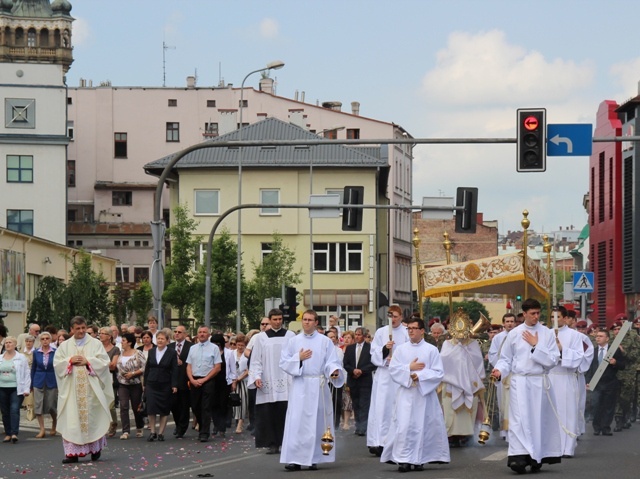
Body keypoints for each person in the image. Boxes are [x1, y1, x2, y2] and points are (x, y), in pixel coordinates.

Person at [492, 298, 562, 474]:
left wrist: (536, 345)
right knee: (519, 420)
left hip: (539, 382)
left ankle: (536, 456)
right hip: (520, 382)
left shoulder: (546, 333)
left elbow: (553, 360)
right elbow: (505, 359)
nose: (536, 317)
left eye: (538, 313)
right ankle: (518, 457)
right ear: (524, 314)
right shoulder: (514, 334)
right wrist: (499, 371)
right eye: (532, 314)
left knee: (537, 420)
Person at [380, 318, 449, 472]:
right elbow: (393, 369)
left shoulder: (431, 350)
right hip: (406, 393)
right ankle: (403, 459)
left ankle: (419, 459)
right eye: (409, 328)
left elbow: (438, 372)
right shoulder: (401, 349)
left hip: (424, 395)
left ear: (422, 330)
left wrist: (420, 376)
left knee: (422, 426)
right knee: (404, 426)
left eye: (414, 328)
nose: (410, 331)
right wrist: (408, 368)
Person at [279, 310, 345, 471]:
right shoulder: (294, 341)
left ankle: (314, 457)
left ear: (316, 323)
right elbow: (283, 362)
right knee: (297, 422)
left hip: (318, 385)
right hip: (300, 384)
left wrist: (334, 371)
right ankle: (294, 458)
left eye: (310, 320)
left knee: (316, 422)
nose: (306, 322)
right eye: (304, 319)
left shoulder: (325, 341)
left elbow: (331, 361)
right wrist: (298, 359)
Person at [53, 316, 113, 464]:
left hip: (91, 390)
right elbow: (57, 364)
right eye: (78, 328)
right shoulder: (64, 346)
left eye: (83, 328)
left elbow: (105, 362)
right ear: (72, 329)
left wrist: (89, 361)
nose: (81, 331)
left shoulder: (96, 344)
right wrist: (69, 361)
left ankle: (95, 450)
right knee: (72, 421)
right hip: (71, 391)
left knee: (93, 418)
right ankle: (72, 454)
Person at [248, 308, 295, 455]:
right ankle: (272, 443)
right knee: (269, 414)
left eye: (280, 319)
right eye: (274, 319)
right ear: (269, 320)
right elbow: (256, 360)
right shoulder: (261, 338)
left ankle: (286, 442)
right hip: (268, 379)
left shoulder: (290, 336)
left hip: (286, 379)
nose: (277, 322)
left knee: (285, 412)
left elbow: (295, 357)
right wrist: (256, 377)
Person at [367, 305, 409, 456]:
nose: (393, 319)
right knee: (382, 407)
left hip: (398, 375)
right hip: (384, 375)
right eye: (391, 316)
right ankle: (379, 441)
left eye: (396, 316)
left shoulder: (406, 332)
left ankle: (397, 440)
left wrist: (398, 360)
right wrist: (385, 350)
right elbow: (373, 352)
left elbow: (410, 352)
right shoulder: (381, 332)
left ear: (401, 317)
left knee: (397, 407)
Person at [439, 309, 485, 447]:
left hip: (469, 383)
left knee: (467, 410)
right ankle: (451, 434)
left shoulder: (473, 344)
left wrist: (464, 350)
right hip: (452, 383)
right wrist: (457, 349)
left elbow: (477, 361)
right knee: (449, 410)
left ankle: (466, 434)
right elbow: (444, 360)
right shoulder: (447, 344)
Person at [547, 306, 586, 458]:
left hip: (566, 376)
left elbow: (578, 356)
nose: (554, 320)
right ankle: (551, 447)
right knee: (551, 412)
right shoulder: (546, 334)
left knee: (568, 412)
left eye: (557, 317)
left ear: (564, 318)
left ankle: (567, 448)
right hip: (551, 376)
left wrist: (562, 349)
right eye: (552, 317)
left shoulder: (575, 335)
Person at [186, 326, 222, 442]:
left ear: (208, 334)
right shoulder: (193, 348)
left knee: (206, 407)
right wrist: (191, 379)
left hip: (208, 380)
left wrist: (205, 379)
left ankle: (204, 432)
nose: (202, 334)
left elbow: (217, 367)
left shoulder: (214, 348)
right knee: (195, 406)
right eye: (200, 332)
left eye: (204, 332)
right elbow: (189, 366)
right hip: (194, 380)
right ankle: (202, 426)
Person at [587, 328, 626, 435]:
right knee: (595, 405)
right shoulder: (592, 351)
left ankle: (605, 427)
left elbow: (623, 365)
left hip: (610, 383)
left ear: (607, 338)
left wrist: (615, 363)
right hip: (596, 383)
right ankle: (596, 427)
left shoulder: (614, 351)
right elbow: (589, 368)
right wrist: (587, 381)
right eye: (597, 336)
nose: (597, 338)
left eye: (601, 336)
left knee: (608, 406)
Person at [144, 330, 178, 441]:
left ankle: (161, 433)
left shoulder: (172, 352)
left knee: (164, 409)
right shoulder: (152, 351)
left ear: (167, 341)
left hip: (165, 384)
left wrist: (174, 385)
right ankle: (153, 432)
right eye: (158, 338)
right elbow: (147, 368)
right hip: (151, 383)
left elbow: (174, 369)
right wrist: (144, 384)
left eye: (162, 339)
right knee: (151, 408)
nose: (160, 340)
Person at [488, 313, 516, 439]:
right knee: (502, 402)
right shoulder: (498, 338)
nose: (510, 323)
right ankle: (504, 431)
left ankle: (514, 429)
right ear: (503, 323)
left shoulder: (518, 335)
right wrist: (500, 368)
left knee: (514, 403)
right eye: (507, 321)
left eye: (512, 321)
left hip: (515, 374)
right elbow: (493, 354)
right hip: (503, 375)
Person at [343, 326, 375, 437]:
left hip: (365, 380)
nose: (357, 336)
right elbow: (345, 363)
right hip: (353, 380)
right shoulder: (350, 348)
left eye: (359, 334)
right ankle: (358, 426)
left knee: (364, 404)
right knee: (356, 404)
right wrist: (353, 371)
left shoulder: (370, 348)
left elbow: (373, 363)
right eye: (356, 334)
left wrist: (361, 371)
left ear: (365, 336)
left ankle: (363, 427)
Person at [0, 336, 31, 443]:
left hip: (16, 388)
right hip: (2, 387)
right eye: (6, 343)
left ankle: (14, 433)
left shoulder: (21, 357)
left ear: (14, 345)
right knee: (5, 411)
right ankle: (8, 433)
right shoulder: (0, 357)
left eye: (10, 342)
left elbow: (27, 373)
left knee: (14, 409)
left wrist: (26, 389)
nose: (8, 344)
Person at [116, 333, 146, 440]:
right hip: (123, 383)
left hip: (135, 383)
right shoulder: (121, 353)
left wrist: (133, 373)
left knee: (135, 406)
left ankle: (139, 426)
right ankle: (125, 431)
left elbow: (144, 367)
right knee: (123, 406)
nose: (122, 343)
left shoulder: (138, 353)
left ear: (129, 342)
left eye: (123, 341)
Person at [31, 331, 57, 438]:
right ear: (40, 340)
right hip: (38, 380)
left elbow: (58, 368)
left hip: (52, 380)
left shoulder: (55, 352)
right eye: (43, 339)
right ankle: (42, 429)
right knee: (38, 405)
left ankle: (54, 424)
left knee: (51, 406)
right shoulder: (36, 352)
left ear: (50, 340)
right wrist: (31, 384)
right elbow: (33, 368)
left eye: (47, 338)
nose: (45, 340)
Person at [168, 325, 192, 438]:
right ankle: (178, 425)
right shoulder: (169, 347)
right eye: (175, 331)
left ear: (185, 334)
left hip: (185, 380)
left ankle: (182, 428)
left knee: (184, 405)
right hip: (172, 380)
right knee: (173, 405)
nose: (177, 333)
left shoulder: (191, 346)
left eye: (180, 332)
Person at [98, 326, 120, 437]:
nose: (100, 335)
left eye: (103, 333)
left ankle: (113, 423)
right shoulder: (97, 347)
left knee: (110, 402)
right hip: (97, 377)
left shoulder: (115, 349)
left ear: (109, 336)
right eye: (100, 333)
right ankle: (102, 425)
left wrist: (99, 364)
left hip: (111, 378)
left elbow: (113, 366)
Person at [232, 334, 249, 434]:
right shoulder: (232, 353)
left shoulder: (247, 354)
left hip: (243, 381)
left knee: (243, 402)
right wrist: (233, 379)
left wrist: (239, 378)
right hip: (233, 380)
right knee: (233, 401)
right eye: (238, 345)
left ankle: (240, 423)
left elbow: (248, 369)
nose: (239, 347)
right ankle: (235, 419)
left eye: (242, 345)